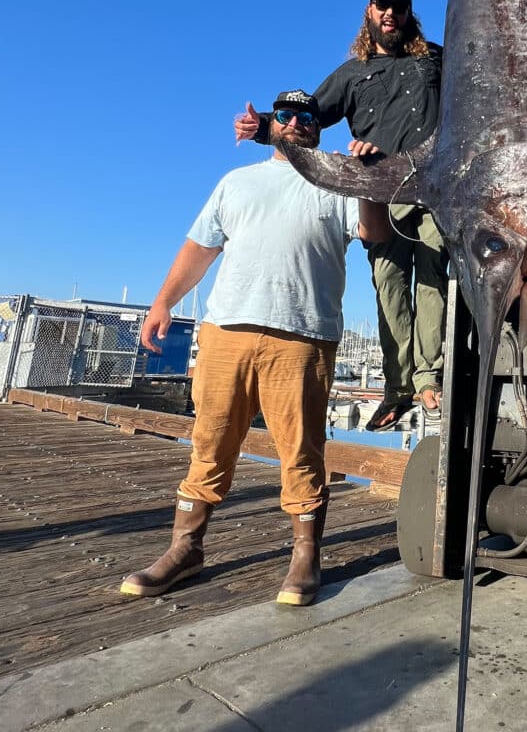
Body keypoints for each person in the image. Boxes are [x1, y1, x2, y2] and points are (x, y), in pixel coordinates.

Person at [121, 90, 389, 606]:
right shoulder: (236, 182)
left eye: (307, 117)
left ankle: (305, 556)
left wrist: (369, 182)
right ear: (272, 124)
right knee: (210, 441)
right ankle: (185, 549)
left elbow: (373, 232)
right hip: (227, 332)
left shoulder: (336, 178)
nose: (297, 123)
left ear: (317, 127)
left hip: (304, 337)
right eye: (285, 116)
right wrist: (161, 304)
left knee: (302, 451)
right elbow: (200, 249)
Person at [235, 0, 448, 433]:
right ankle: (398, 387)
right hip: (379, 194)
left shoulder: (435, 59)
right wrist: (263, 128)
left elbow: (476, 97)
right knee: (390, 286)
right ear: (369, 13)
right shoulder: (352, 73)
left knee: (432, 278)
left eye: (398, 6)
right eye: (380, 5)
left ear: (410, 14)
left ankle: (429, 378)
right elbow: (307, 114)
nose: (389, 13)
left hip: (432, 188)